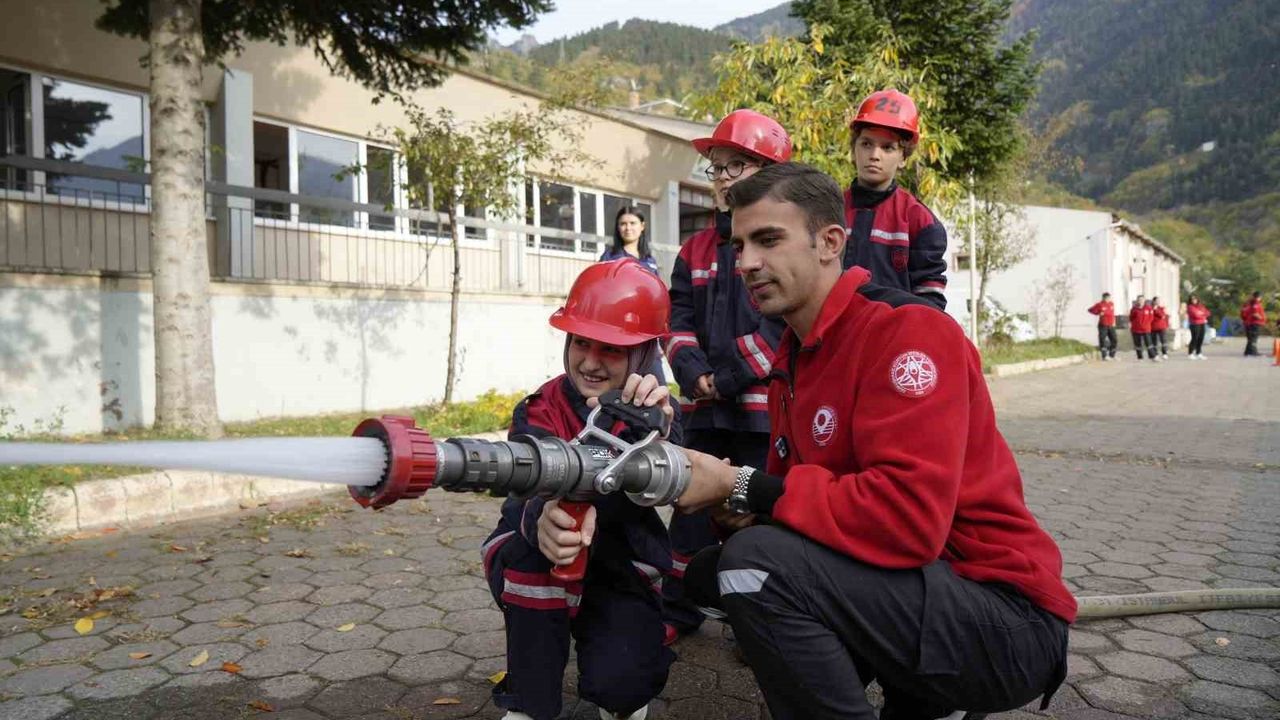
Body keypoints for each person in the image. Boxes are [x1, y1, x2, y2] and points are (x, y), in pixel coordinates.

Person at [672, 163, 1075, 720]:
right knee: (713, 569)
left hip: (1002, 617)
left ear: (830, 242)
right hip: (921, 591)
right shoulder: (796, 355)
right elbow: (811, 505)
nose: (746, 264)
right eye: (739, 245)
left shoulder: (906, 333)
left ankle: (942, 693)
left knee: (754, 566)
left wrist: (746, 485)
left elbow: (906, 519)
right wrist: (737, 503)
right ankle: (924, 697)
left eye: (768, 240)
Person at [483, 259, 678, 720]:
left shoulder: (658, 415)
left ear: (645, 355)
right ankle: (530, 701)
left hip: (619, 563)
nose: (589, 362)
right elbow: (527, 479)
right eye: (580, 342)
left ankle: (622, 681)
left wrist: (664, 435)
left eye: (610, 349)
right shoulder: (539, 408)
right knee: (530, 559)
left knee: (622, 684)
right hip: (539, 555)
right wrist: (542, 518)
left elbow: (678, 478)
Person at [663, 109, 790, 642]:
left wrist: (731, 376)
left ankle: (755, 623)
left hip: (762, 416)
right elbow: (677, 320)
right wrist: (694, 374)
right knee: (689, 508)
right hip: (703, 410)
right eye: (716, 167)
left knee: (754, 514)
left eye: (735, 165)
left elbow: (781, 326)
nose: (721, 178)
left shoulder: (781, 244)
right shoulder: (692, 250)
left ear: (767, 173)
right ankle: (675, 609)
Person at [842, 88, 948, 309]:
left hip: (892, 336)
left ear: (903, 158)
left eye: (887, 147)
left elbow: (930, 303)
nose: (874, 155)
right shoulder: (829, 210)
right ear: (854, 149)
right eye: (866, 144)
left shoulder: (919, 221)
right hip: (836, 337)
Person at [600, 206, 659, 275]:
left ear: (642, 226)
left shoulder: (650, 260)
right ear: (618, 227)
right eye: (623, 224)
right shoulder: (610, 257)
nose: (628, 228)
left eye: (632, 223)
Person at [1087, 292, 1118, 360]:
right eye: (1106, 298)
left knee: (1114, 339)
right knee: (1102, 340)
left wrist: (1114, 322)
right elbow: (1090, 310)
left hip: (1111, 325)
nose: (1108, 299)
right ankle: (1104, 356)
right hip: (1103, 325)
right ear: (1103, 298)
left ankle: (1112, 355)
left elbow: (1112, 313)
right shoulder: (1099, 304)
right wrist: (1098, 313)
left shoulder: (1111, 304)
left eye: (1109, 298)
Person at [1240, 291, 1267, 356]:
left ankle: (1248, 352)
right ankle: (1253, 352)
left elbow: (1243, 314)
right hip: (1255, 323)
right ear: (1259, 297)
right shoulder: (1256, 304)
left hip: (1249, 323)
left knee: (1250, 338)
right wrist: (1262, 318)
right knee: (1253, 338)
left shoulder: (1248, 304)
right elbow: (1255, 313)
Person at [1129, 296, 1154, 361]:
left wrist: (1146, 324)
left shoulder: (1148, 308)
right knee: (1138, 344)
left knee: (1149, 343)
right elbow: (1131, 318)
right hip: (1136, 329)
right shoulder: (1134, 309)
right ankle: (1140, 357)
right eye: (1139, 300)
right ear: (1137, 301)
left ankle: (1152, 356)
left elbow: (1151, 318)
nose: (1140, 301)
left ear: (1144, 300)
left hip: (1146, 329)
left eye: (1142, 300)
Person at [1186, 294, 1210, 359]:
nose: (1194, 300)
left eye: (1195, 299)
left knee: (1201, 338)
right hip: (1194, 324)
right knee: (1195, 338)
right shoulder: (1190, 307)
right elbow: (1195, 315)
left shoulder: (1201, 306)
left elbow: (1208, 313)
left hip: (1202, 323)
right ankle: (1190, 353)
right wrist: (1202, 314)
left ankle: (1198, 353)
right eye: (1192, 299)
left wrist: (1201, 313)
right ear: (1190, 300)